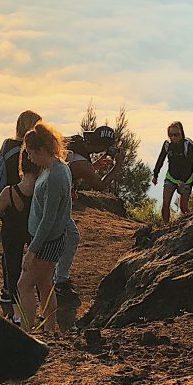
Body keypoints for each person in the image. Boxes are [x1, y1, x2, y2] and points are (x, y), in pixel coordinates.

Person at [17, 121, 73, 335]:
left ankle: (26, 332)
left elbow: (49, 219)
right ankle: (50, 330)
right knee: (45, 285)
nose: (29, 158)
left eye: (31, 153)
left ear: (41, 150)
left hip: (45, 242)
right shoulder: (59, 167)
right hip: (52, 239)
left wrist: (32, 251)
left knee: (24, 286)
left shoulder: (54, 177)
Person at [54, 124, 118, 298]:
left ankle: (58, 278)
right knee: (70, 236)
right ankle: (59, 281)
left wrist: (94, 166)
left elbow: (75, 168)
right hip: (57, 200)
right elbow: (100, 186)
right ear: (100, 147)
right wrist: (118, 166)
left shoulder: (75, 141)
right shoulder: (84, 163)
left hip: (48, 192)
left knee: (60, 236)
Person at [0, 110, 42, 314]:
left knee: (10, 256)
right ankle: (30, 299)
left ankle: (9, 294)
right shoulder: (32, 150)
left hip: (11, 203)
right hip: (30, 209)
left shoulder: (7, 147)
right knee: (33, 255)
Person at [151, 121, 193, 218]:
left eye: (176, 134)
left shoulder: (188, 145)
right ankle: (166, 227)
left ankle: (190, 223)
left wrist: (183, 180)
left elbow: (190, 165)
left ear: (181, 133)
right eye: (171, 135)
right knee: (166, 204)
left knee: (183, 208)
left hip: (186, 179)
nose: (173, 137)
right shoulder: (167, 145)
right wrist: (155, 174)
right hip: (171, 177)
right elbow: (161, 159)